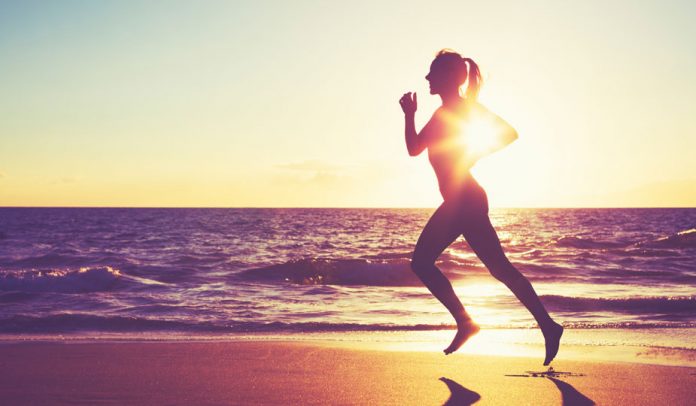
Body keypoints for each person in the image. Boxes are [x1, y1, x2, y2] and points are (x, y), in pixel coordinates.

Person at [399, 49, 563, 365]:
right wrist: (409, 114)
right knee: (498, 268)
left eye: (432, 72)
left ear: (447, 77)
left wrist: (471, 155)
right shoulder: (440, 115)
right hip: (462, 199)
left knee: (422, 262)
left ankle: (468, 322)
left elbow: (508, 134)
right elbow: (414, 149)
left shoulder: (465, 109)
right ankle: (547, 325)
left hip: (465, 199)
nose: (427, 78)